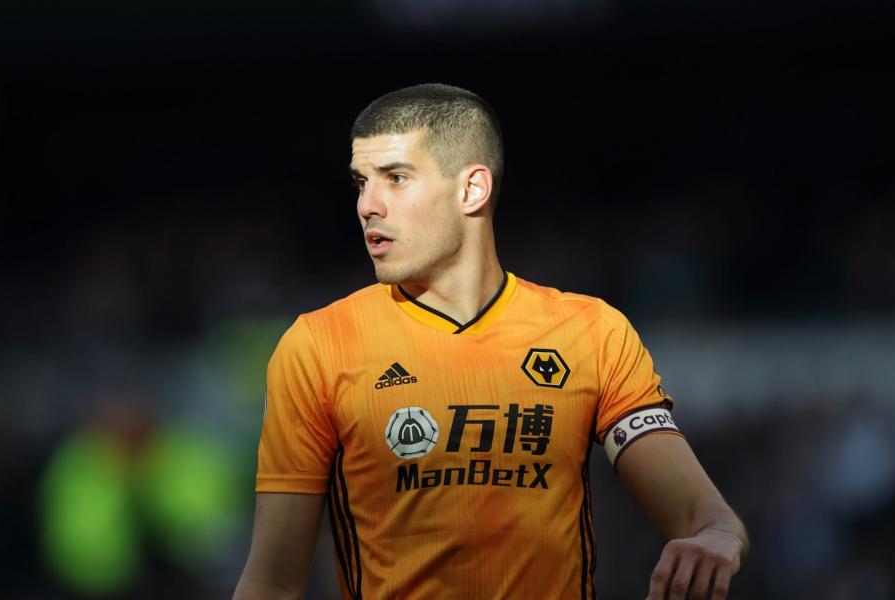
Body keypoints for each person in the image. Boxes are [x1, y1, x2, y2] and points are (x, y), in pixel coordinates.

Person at [234, 83, 749, 600]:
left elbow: (697, 511)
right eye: (361, 182)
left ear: (472, 190)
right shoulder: (318, 346)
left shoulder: (592, 333)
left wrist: (717, 536)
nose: (368, 205)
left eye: (396, 178)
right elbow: (272, 582)